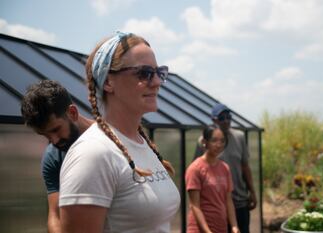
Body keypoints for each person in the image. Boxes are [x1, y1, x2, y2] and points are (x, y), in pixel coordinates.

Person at [59, 32, 180, 233]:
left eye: (159, 72)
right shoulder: (93, 154)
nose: (157, 82)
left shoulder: (141, 142)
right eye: (144, 73)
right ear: (108, 82)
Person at [20, 80, 93, 233]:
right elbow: (56, 215)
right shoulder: (53, 158)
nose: (54, 140)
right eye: (45, 135)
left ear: (72, 113)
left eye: (56, 129)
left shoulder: (114, 137)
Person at [194, 104, 257, 233]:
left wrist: (252, 192)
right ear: (214, 120)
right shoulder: (203, 141)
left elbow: (245, 167)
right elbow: (197, 171)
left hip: (239, 201)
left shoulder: (239, 137)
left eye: (229, 117)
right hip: (216, 205)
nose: (226, 120)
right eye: (222, 118)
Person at [186, 125, 240, 233]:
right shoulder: (195, 168)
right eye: (214, 140)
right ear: (205, 142)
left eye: (222, 141)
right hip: (199, 229)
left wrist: (234, 226)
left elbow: (228, 200)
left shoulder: (225, 168)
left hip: (221, 228)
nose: (219, 145)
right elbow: (194, 206)